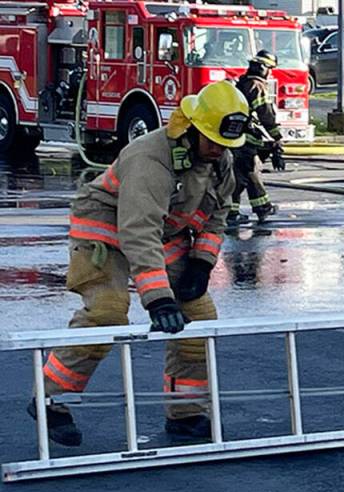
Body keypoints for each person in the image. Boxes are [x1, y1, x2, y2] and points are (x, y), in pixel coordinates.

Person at [28, 81, 247, 446]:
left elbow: (217, 214)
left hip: (161, 233)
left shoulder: (218, 158)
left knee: (199, 318)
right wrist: (158, 298)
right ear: (191, 129)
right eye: (213, 141)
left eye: (227, 144)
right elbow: (137, 232)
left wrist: (201, 263)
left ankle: (186, 412)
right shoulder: (151, 158)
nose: (221, 150)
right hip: (106, 232)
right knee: (107, 313)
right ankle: (51, 398)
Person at [230, 50, 284, 226]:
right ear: (262, 68)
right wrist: (277, 137)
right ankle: (262, 208)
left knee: (238, 176)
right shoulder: (257, 86)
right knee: (252, 171)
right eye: (270, 68)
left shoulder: (243, 83)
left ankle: (231, 212)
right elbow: (265, 114)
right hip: (245, 140)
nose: (271, 73)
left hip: (236, 137)